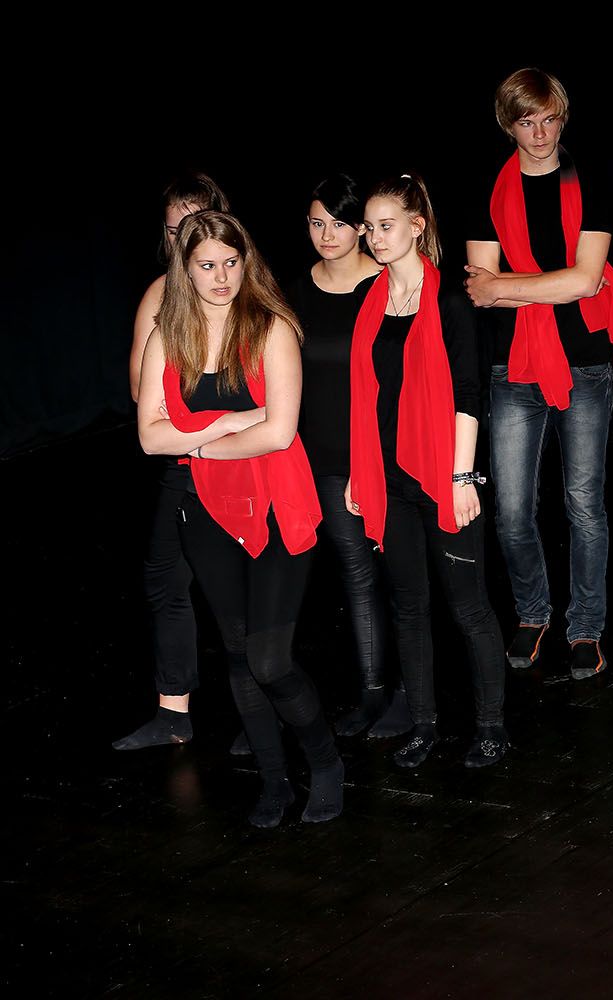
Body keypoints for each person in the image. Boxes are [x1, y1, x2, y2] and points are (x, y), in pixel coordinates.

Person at [136, 210, 342, 827]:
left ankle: (326, 764)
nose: (222, 276)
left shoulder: (272, 327)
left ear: (245, 262)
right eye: (207, 265)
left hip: (277, 504)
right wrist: (228, 422)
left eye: (231, 262)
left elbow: (279, 432)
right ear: (185, 269)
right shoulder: (167, 338)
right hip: (208, 510)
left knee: (269, 659)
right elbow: (149, 437)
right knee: (236, 652)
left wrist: (198, 443)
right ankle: (275, 782)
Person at [465, 68, 613, 682]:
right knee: (512, 511)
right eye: (526, 121)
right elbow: (478, 291)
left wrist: (509, 287)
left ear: (563, 116)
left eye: (549, 119)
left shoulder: (591, 182)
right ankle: (533, 613)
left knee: (584, 504)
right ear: (507, 125)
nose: (540, 133)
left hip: (584, 361)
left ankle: (586, 626)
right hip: (513, 365)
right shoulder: (487, 189)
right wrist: (547, 286)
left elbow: (585, 282)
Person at [347, 175, 507, 769]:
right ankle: (423, 724)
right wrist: (360, 474)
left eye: (386, 225)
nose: (374, 237)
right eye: (369, 227)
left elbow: (469, 395)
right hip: (388, 477)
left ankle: (490, 726)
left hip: (443, 473)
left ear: (416, 226)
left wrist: (461, 479)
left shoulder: (450, 302)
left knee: (468, 607)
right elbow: (366, 397)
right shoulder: (370, 300)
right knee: (409, 606)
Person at [284, 174, 407, 737]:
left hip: (387, 454)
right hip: (326, 459)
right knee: (358, 575)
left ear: (361, 227)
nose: (327, 235)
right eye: (317, 223)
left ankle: (408, 692)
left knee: (401, 575)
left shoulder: (387, 284)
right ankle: (375, 692)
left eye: (338, 223)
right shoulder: (294, 293)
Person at [114, 174, 230, 751]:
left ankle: (257, 714)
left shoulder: (239, 287)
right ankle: (173, 711)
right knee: (166, 580)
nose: (182, 238)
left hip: (242, 461)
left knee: (239, 591)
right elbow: (143, 391)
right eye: (172, 229)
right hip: (181, 461)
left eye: (194, 225)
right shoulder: (160, 295)